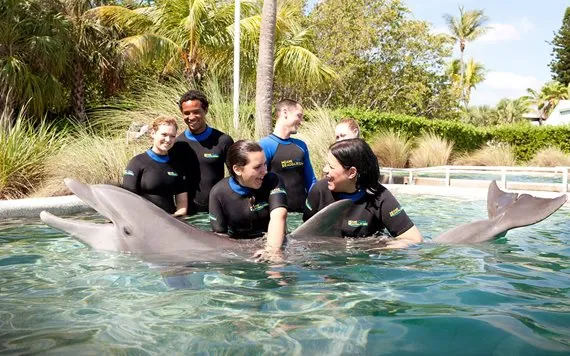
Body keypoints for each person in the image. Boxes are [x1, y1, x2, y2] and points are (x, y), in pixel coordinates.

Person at [303, 138, 422, 248]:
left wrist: (372, 249)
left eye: (331, 166)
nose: (325, 169)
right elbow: (303, 235)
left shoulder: (380, 197)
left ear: (351, 172)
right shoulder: (319, 191)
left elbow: (414, 239)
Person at [209, 140, 288, 256]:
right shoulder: (218, 193)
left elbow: (279, 216)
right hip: (239, 250)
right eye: (257, 167)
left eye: (265, 164)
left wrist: (272, 252)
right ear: (238, 169)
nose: (265, 171)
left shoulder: (273, 181)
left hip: (274, 243)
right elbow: (220, 238)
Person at [170, 90, 234, 214]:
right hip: (186, 213)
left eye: (196, 112)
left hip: (218, 209)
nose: (191, 117)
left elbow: (236, 175)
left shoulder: (223, 140)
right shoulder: (177, 144)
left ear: (205, 110)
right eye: (186, 113)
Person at [259, 99, 317, 213]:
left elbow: (311, 180)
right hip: (274, 215)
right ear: (285, 112)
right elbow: (257, 182)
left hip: (301, 214)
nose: (301, 121)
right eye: (299, 116)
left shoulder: (301, 145)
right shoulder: (265, 145)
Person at [123, 115, 187, 216]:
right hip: (143, 220)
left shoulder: (177, 166)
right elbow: (126, 200)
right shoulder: (137, 162)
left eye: (172, 136)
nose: (168, 140)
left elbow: (182, 206)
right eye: (164, 134)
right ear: (153, 133)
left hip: (171, 221)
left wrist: (173, 219)